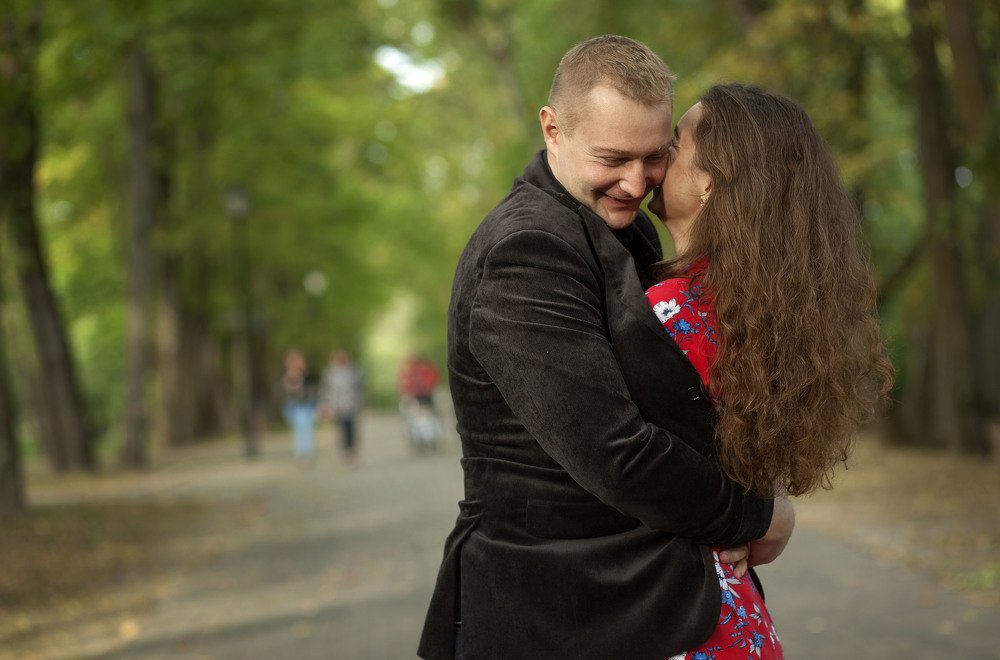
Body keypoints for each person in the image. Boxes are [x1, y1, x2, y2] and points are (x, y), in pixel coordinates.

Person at [418, 36, 795, 660]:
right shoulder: (527, 251)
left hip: (628, 599)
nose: (635, 182)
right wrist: (754, 515)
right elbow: (616, 451)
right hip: (554, 609)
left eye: (654, 156)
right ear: (553, 129)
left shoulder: (621, 225)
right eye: (612, 158)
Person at [645, 83, 894, 659]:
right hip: (738, 622)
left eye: (676, 141)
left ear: (709, 181)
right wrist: (771, 507)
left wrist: (768, 510)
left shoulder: (670, 312)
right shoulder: (759, 314)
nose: (660, 153)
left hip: (679, 621)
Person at [319, 349, 364, 460]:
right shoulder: (330, 373)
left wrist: (358, 401)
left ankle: (351, 448)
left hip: (350, 405)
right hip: (336, 406)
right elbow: (326, 390)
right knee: (340, 428)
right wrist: (325, 405)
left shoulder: (353, 371)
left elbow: (359, 388)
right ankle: (344, 449)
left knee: (350, 427)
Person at [280, 349, 319, 462]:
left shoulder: (308, 375)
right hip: (294, 405)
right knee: (300, 428)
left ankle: (306, 452)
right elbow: (288, 390)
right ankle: (302, 452)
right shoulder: (288, 375)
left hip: (307, 404)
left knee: (305, 428)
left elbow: (313, 389)